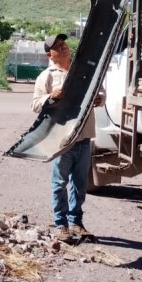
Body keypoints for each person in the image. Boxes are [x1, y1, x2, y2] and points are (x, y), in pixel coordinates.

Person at [32, 33, 105, 243]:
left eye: (64, 44)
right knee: (59, 183)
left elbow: (100, 91)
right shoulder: (46, 76)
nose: (63, 47)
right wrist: (50, 97)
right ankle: (61, 225)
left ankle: (76, 223)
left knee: (80, 184)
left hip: (83, 137)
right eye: (57, 46)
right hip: (62, 140)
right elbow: (35, 104)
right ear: (50, 54)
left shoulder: (84, 71)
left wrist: (101, 98)